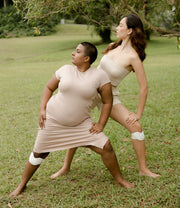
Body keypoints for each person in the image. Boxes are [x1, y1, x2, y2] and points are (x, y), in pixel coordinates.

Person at [10, 42, 134, 197]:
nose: (73, 54)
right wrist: (42, 109)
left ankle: (119, 179)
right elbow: (48, 88)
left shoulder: (100, 76)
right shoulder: (65, 70)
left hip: (81, 124)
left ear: (86, 58)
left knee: (106, 146)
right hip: (53, 120)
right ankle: (22, 184)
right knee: (38, 154)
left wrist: (101, 124)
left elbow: (107, 101)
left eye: (77, 51)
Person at [51, 14, 160, 180]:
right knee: (76, 124)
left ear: (129, 30)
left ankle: (143, 169)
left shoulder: (133, 57)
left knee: (136, 128)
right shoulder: (112, 46)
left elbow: (144, 87)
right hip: (88, 92)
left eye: (120, 25)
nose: (117, 27)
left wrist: (137, 113)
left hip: (109, 97)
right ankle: (65, 166)